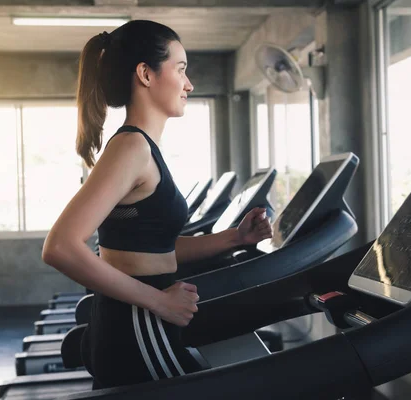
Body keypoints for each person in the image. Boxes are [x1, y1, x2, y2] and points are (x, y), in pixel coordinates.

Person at [42, 20, 273, 389]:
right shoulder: (131, 148)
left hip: (137, 324)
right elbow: (59, 248)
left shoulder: (142, 149)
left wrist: (235, 238)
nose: (188, 83)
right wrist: (158, 302)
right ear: (146, 74)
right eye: (180, 70)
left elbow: (152, 251)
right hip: (138, 327)